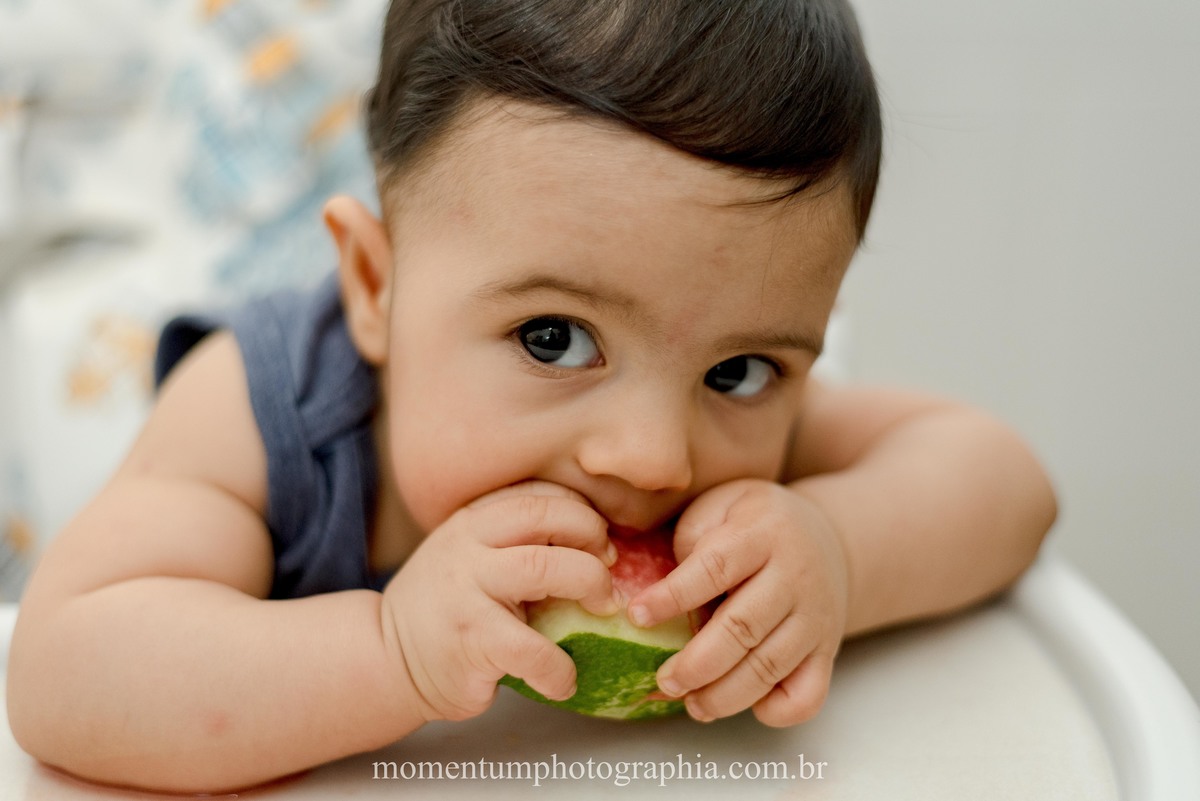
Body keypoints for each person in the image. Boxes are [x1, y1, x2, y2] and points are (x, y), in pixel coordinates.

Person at [6, 0, 1057, 793]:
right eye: (555, 339)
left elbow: (1008, 484)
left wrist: (841, 553)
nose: (654, 456)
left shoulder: (731, 441)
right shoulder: (261, 411)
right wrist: (393, 655)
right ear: (375, 286)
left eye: (738, 371)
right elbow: (61, 675)